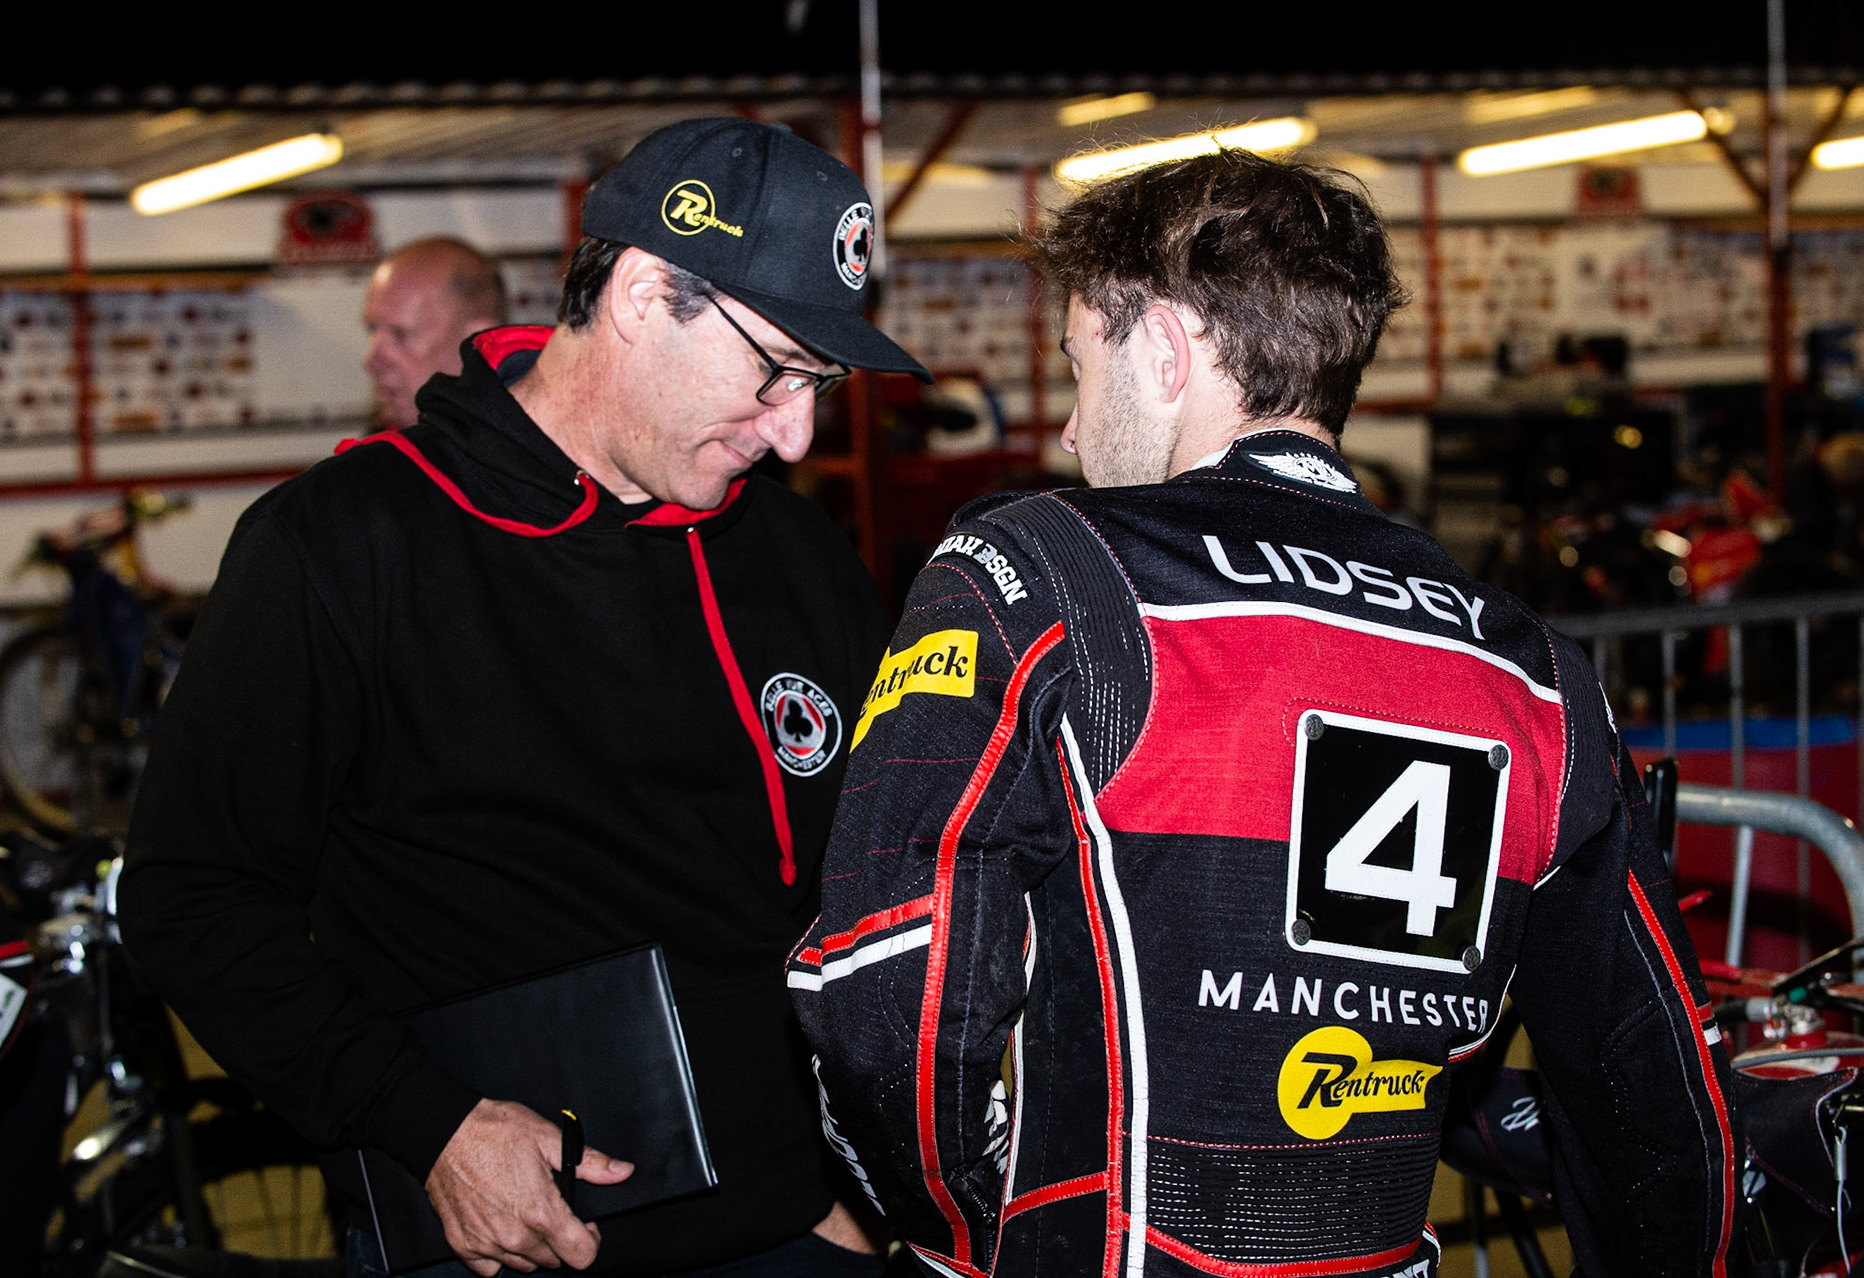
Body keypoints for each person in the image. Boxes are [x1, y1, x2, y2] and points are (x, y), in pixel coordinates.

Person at [789, 150, 1742, 1278]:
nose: (1070, 435)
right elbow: (1651, 1081)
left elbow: (882, 985)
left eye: (1080, 369)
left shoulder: (1041, 574)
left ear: (1165, 349)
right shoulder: (1525, 666)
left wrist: (971, 1230)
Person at [120, 118, 929, 1278]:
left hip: (787, 1227)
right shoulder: (346, 546)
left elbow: (865, 906)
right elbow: (191, 898)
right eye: (777, 372)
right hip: (498, 1239)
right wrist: (427, 1122)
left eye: (821, 384)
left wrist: (846, 1186)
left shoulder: (795, 558)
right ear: (649, 295)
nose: (796, 433)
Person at [364, 237, 507, 427]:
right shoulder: (382, 444)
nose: (372, 362)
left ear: (478, 344)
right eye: (372, 330)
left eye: (401, 335)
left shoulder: (520, 451)